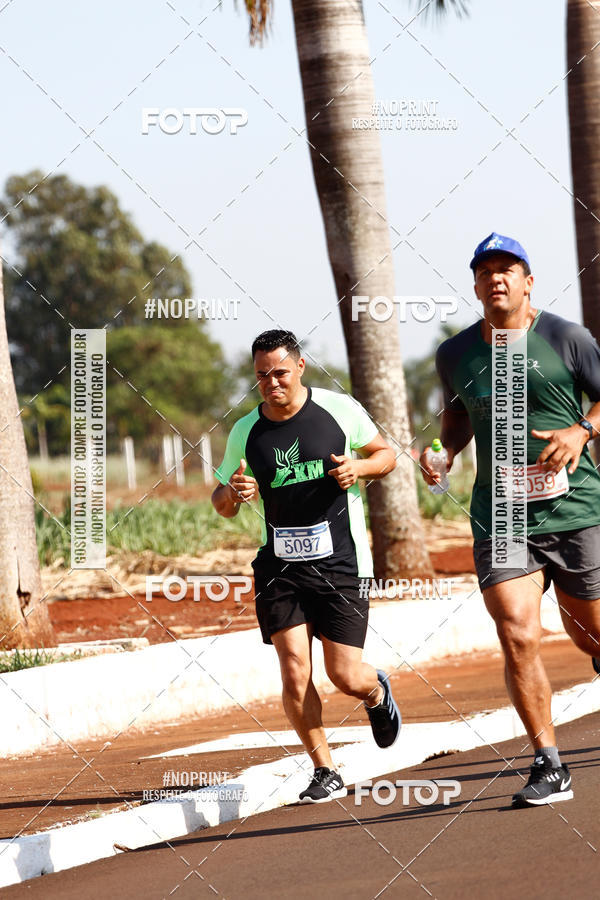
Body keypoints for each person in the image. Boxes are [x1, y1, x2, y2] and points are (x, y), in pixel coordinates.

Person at [420, 232, 600, 808]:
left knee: (589, 632)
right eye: (485, 271)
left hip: (576, 510)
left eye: (508, 269)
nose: (496, 279)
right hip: (500, 518)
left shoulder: (565, 337)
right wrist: (444, 452)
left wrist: (583, 430)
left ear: (528, 281)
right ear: (475, 285)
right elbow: (456, 419)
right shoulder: (454, 355)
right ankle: (549, 763)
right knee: (518, 634)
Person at [212, 329, 400, 803]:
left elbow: (388, 455)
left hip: (340, 560)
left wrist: (359, 469)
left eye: (279, 373)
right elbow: (220, 501)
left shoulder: (339, 411)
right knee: (295, 670)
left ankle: (375, 692)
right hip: (279, 566)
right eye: (261, 377)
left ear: (299, 367)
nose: (271, 384)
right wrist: (234, 492)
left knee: (344, 674)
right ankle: (324, 769)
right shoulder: (245, 431)